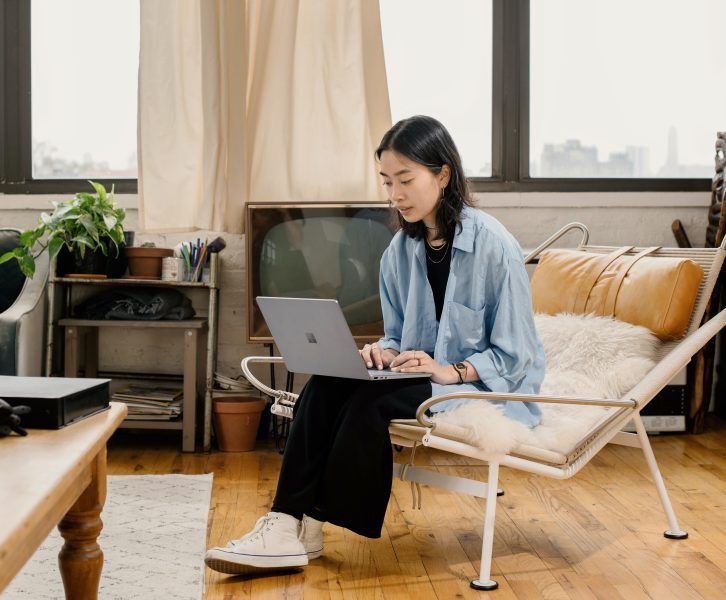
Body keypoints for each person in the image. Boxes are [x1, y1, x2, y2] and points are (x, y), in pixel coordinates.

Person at [204, 115, 545, 575]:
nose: (395, 194)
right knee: (325, 383)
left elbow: (516, 354)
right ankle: (287, 523)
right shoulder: (399, 251)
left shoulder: (494, 246)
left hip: (485, 385)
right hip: (417, 373)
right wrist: (382, 351)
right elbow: (399, 335)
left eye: (406, 179)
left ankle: (308, 521)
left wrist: (451, 370)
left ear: (443, 175)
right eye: (387, 181)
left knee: (367, 403)